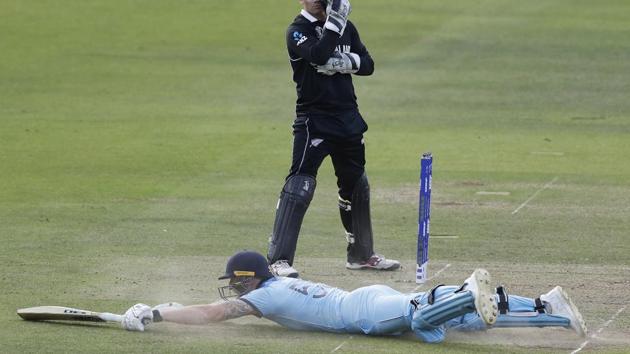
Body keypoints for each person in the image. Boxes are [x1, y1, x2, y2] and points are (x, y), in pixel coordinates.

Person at [122, 250, 587, 344]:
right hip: (367, 295)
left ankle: (464, 294)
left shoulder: (262, 298)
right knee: (460, 319)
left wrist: (160, 315)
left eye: (235, 281)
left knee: (424, 315)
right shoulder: (280, 279)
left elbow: (211, 313)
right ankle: (550, 310)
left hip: (361, 312)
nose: (233, 288)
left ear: (246, 280)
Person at [266, 0, 400, 278]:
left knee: (356, 185)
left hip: (348, 118)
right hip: (314, 120)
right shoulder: (297, 30)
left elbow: (369, 65)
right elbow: (317, 54)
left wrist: (344, 61)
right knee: (300, 184)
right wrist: (334, 24)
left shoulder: (347, 27)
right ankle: (278, 261)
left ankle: (361, 254)